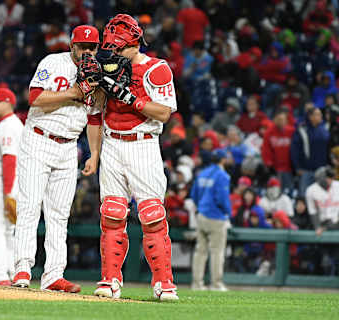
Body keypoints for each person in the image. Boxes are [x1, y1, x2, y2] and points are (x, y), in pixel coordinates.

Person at [93, 14, 178, 301]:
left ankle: (164, 282)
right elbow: (98, 108)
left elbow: (165, 112)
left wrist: (131, 98)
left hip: (143, 143)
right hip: (112, 144)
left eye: (119, 49)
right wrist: (97, 85)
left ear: (134, 44)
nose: (114, 54)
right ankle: (110, 279)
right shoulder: (108, 66)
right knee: (112, 213)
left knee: (152, 215)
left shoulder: (157, 69)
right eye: (112, 49)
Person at [12, 25, 103, 293]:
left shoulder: (97, 75)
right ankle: (22, 269)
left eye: (92, 47)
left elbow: (95, 118)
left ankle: (53, 275)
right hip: (39, 138)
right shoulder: (53, 62)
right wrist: (75, 92)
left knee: (60, 214)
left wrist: (94, 153)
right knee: (29, 207)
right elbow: (35, 98)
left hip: (68, 147)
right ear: (72, 45)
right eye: (82, 46)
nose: (86, 51)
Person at [0, 87, 24, 286]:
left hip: (5, 181)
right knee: (8, 230)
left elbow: (10, 159)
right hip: (13, 180)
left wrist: (8, 192)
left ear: (8, 102)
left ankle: (0, 274)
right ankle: (12, 271)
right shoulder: (12, 124)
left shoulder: (8, 126)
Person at [190, 149, 231, 292]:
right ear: (223, 160)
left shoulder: (203, 173)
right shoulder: (222, 175)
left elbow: (194, 195)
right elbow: (222, 199)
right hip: (216, 217)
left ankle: (197, 284)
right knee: (216, 251)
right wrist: (228, 213)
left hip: (201, 215)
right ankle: (216, 284)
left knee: (200, 251)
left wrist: (201, 206)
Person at [305, 166, 339, 236]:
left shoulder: (337, 186)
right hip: (322, 222)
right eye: (328, 177)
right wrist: (317, 227)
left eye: (331, 177)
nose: (331, 179)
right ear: (321, 178)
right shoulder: (311, 190)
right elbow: (312, 211)